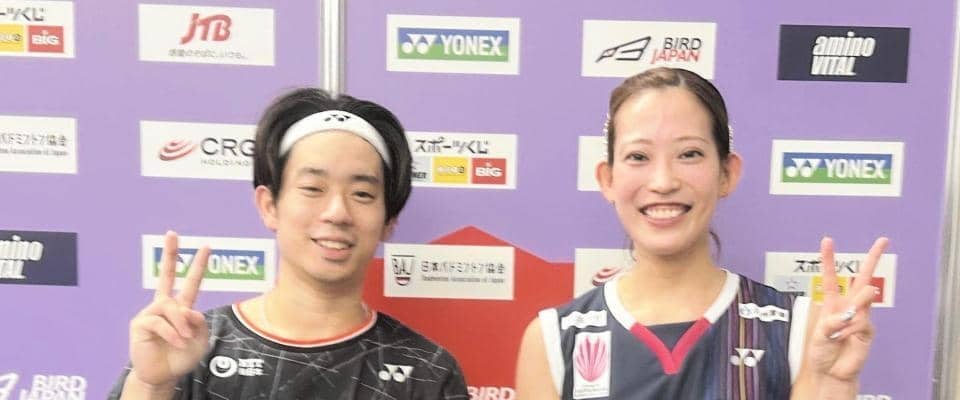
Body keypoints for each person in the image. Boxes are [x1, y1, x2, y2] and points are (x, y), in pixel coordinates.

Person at [515, 67, 888, 399]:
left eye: (689, 154)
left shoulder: (797, 328)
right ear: (608, 179)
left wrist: (834, 386)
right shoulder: (555, 339)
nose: (663, 181)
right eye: (638, 157)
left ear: (727, 173)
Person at [109, 88, 468, 399]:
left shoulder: (427, 370)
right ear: (269, 206)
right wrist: (152, 386)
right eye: (313, 188)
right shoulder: (188, 347)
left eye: (362, 193)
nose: (337, 212)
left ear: (389, 221)